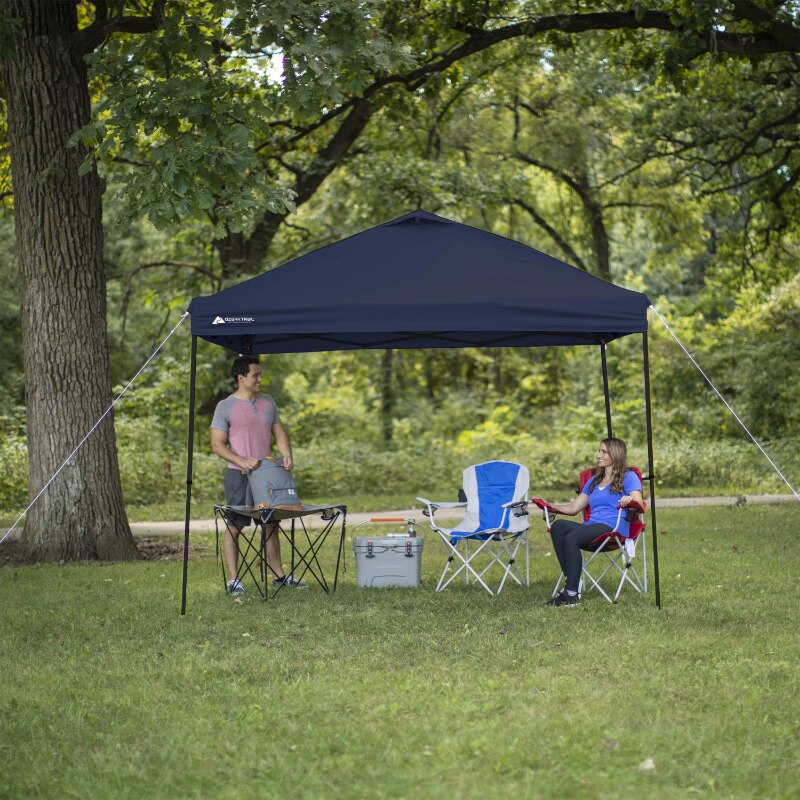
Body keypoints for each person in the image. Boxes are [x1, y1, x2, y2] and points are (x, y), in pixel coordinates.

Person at [210, 356, 307, 595]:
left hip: (266, 476)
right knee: (235, 526)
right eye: (255, 375)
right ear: (241, 378)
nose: (260, 379)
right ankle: (234, 580)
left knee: (271, 525)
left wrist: (286, 454)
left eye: (260, 374)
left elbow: (279, 432)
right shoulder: (225, 406)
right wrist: (241, 460)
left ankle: (279, 577)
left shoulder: (268, 402)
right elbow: (217, 444)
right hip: (239, 476)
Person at [540, 437, 643, 607]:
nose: (599, 455)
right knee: (558, 527)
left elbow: (639, 502)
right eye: (599, 451)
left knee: (572, 537)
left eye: (604, 452)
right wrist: (550, 506)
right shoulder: (594, 480)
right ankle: (572, 580)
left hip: (613, 528)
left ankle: (571, 594)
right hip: (592, 527)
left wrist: (629, 499)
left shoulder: (628, 476)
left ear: (615, 454)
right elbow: (574, 508)